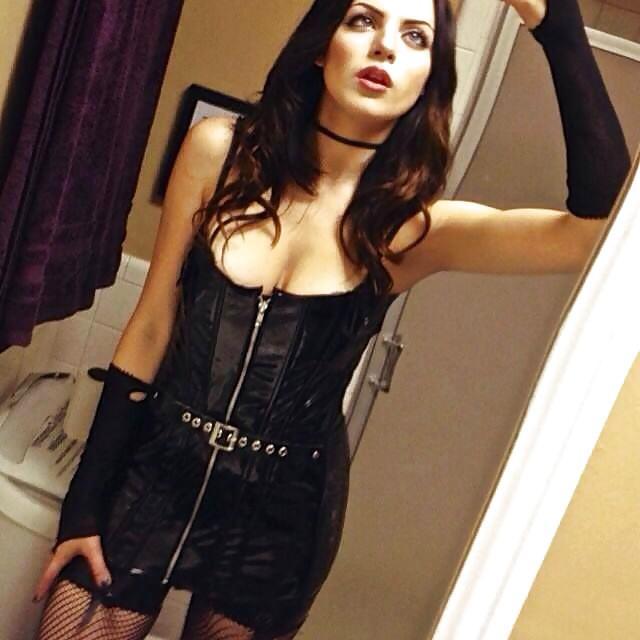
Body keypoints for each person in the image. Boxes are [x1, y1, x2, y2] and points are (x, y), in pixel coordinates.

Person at [31, 0, 631, 638]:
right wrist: (83, 505)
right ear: (322, 46)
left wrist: (555, 22)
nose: (385, 46)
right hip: (152, 475)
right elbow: (152, 326)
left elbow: (598, 231)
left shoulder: (411, 230)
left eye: (415, 38)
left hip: (279, 520)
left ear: (428, 80)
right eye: (363, 21)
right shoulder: (218, 153)